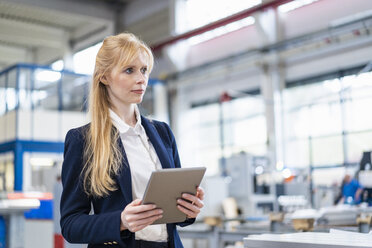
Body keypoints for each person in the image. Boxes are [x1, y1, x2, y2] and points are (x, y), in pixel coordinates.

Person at [60, 32, 205, 248]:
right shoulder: (83, 140)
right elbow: (71, 225)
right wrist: (120, 221)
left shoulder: (163, 132)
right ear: (104, 77)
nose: (141, 79)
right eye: (129, 70)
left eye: (144, 70)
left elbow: (175, 215)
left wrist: (188, 209)